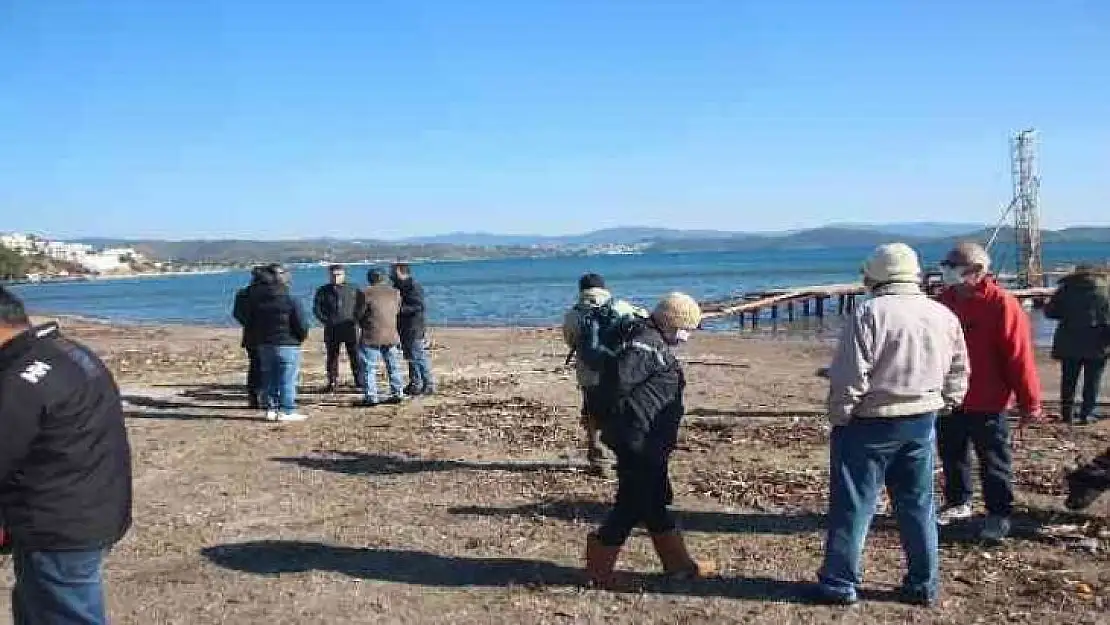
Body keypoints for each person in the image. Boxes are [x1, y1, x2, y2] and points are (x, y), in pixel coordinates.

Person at [815, 244, 969, 606]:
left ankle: (839, 583)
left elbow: (852, 375)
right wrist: (948, 401)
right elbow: (959, 368)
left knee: (854, 505)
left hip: (870, 421)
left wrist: (841, 414)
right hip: (921, 418)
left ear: (876, 275)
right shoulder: (942, 313)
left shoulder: (869, 312)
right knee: (917, 505)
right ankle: (923, 584)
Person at [0, 286, 132, 624]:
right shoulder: (66, 351)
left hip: (58, 523)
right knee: (43, 607)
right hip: (89, 505)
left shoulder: (21, 381)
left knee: (61, 612)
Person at [584, 292, 714, 588]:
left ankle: (678, 563)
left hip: (647, 439)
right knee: (631, 503)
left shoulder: (649, 342)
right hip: (638, 440)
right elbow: (616, 383)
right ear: (672, 324)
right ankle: (598, 569)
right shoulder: (645, 346)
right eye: (686, 330)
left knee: (653, 500)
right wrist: (612, 427)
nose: (686, 337)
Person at [935, 241, 1042, 541]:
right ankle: (958, 502)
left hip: (989, 399)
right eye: (946, 265)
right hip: (949, 397)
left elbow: (1018, 356)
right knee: (952, 454)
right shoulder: (944, 300)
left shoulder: (1001, 303)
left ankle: (999, 513)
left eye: (953, 266)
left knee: (994, 460)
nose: (947, 271)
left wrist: (1029, 402)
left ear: (977, 270)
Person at [562, 273, 648, 476]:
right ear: (603, 288)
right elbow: (643, 321)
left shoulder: (574, 314)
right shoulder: (620, 306)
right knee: (621, 412)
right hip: (619, 370)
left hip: (589, 373)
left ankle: (599, 460)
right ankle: (625, 456)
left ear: (581, 290)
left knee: (593, 414)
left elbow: (570, 339)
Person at [1044, 264, 1110, 425]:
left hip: (1069, 342)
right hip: (1098, 342)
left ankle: (1067, 414)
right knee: (1092, 380)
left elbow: (1050, 312)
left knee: (1068, 380)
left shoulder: (1066, 288)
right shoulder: (1106, 289)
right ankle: (1087, 413)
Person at [246, 264, 311, 422]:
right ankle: (287, 410)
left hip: (265, 343)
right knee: (287, 379)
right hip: (287, 343)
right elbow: (301, 323)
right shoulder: (291, 299)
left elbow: (251, 321)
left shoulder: (257, 301)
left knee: (269, 377)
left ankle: (271, 409)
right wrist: (299, 338)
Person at [357, 269, 406, 406]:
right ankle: (398, 392)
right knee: (393, 366)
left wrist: (362, 323)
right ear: (384, 278)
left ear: (369, 279)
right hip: (391, 334)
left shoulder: (365, 293)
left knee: (369, 368)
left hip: (371, 334)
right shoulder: (395, 293)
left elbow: (359, 314)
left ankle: (371, 396)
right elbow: (397, 310)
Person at [313, 264, 365, 392]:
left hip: (350, 327)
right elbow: (317, 309)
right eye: (333, 275)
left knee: (355, 356)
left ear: (344, 275)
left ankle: (360, 381)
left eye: (338, 275)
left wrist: (356, 319)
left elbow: (362, 306)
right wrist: (326, 320)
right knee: (332, 357)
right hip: (332, 328)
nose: (336, 277)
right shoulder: (323, 290)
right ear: (329, 275)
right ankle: (332, 382)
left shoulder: (353, 289)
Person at [391, 263, 435, 396]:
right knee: (410, 356)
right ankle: (415, 382)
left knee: (418, 356)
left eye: (393, 272)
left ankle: (428, 384)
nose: (391, 275)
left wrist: (399, 310)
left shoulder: (413, 287)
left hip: (414, 326)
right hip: (403, 327)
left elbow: (418, 306)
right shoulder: (397, 287)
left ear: (402, 273)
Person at [233, 266, 268, 408]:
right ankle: (261, 396)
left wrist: (248, 323)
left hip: (251, 335)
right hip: (263, 335)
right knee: (263, 367)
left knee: (255, 366)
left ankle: (254, 397)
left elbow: (237, 314)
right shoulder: (264, 293)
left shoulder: (243, 293)